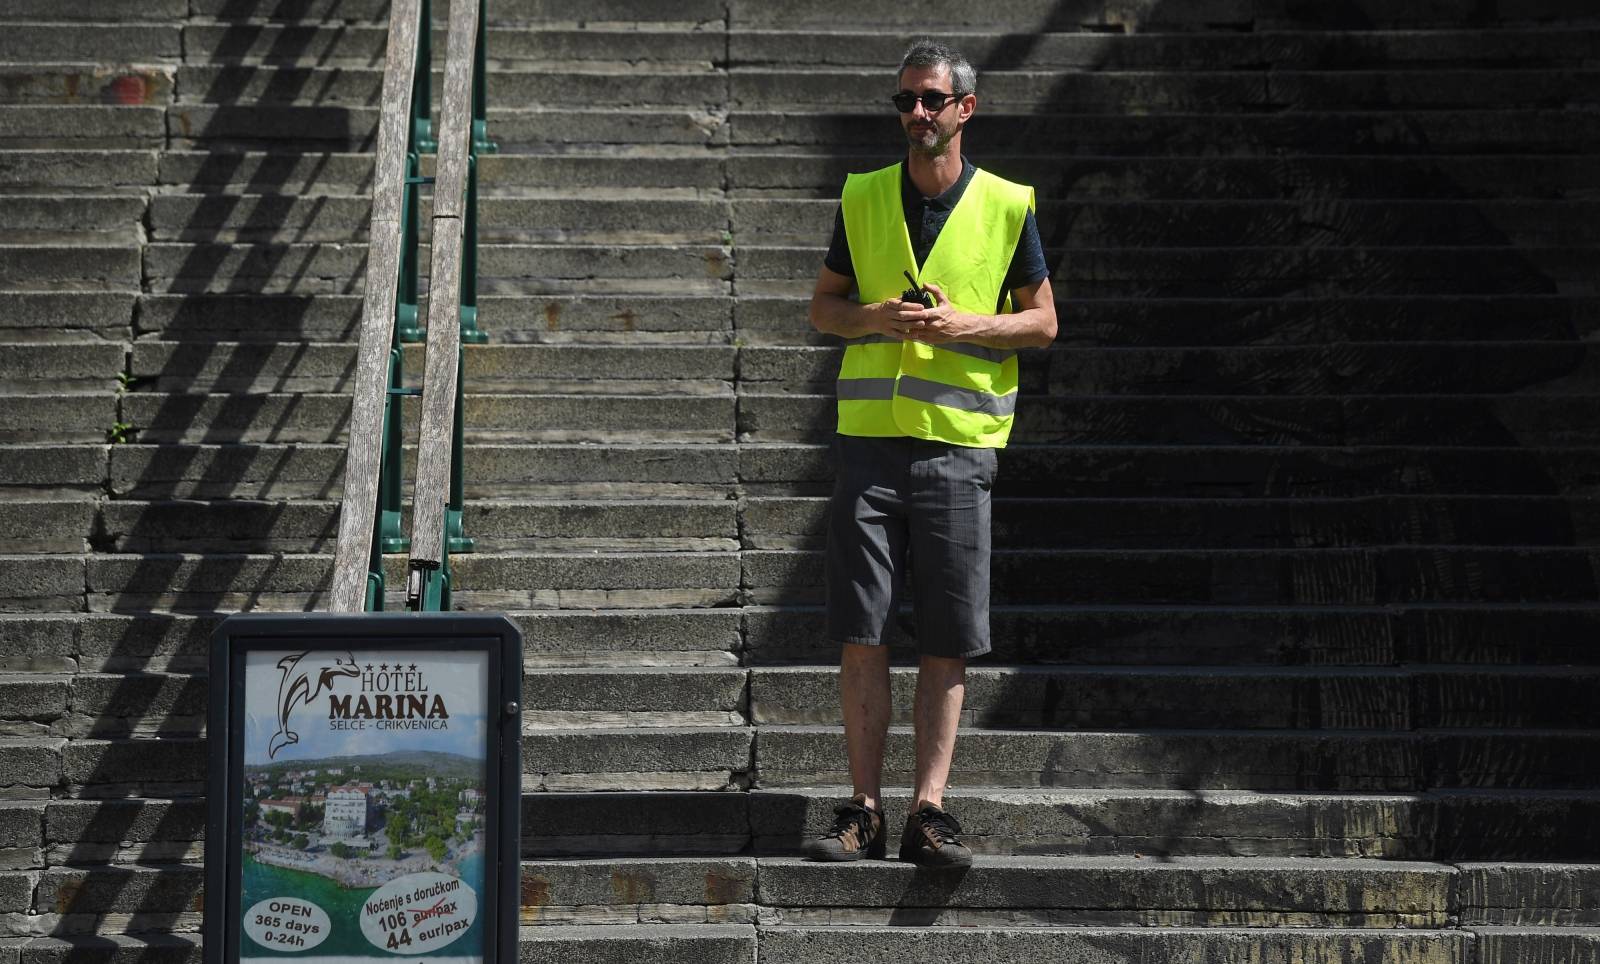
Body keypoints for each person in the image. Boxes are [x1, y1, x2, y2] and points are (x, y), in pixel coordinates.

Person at [802, 39, 1057, 867]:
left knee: (945, 633)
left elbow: (1043, 322)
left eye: (931, 101)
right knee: (862, 629)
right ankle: (865, 809)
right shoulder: (866, 196)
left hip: (958, 448)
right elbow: (823, 309)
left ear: (964, 110)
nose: (916, 114)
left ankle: (929, 810)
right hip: (871, 446)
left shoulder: (1007, 205)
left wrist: (964, 327)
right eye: (905, 101)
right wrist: (874, 318)